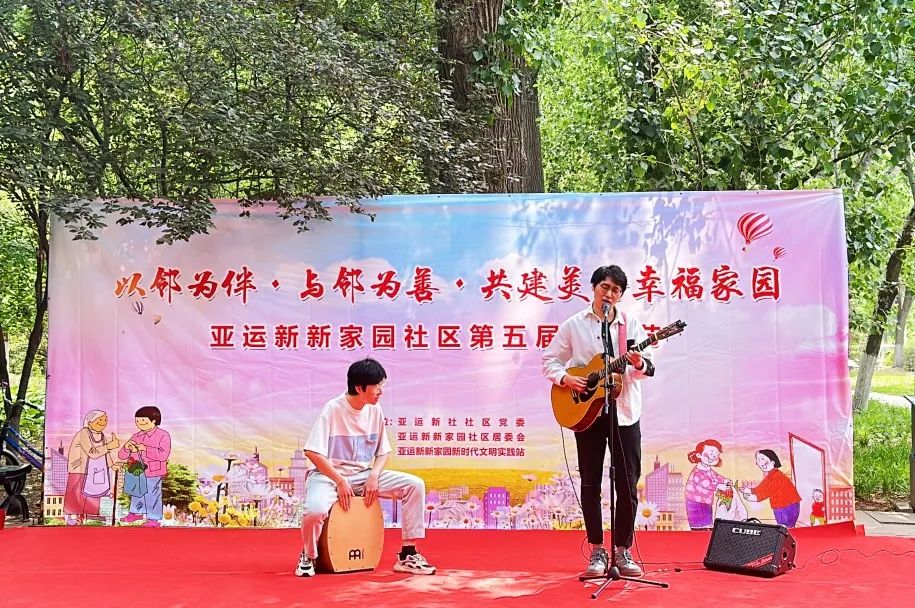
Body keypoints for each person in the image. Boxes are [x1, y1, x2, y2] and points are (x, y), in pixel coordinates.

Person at [542, 265, 654, 578]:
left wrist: (638, 363)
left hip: (625, 413)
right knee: (590, 483)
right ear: (593, 288)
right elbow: (549, 360)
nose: (609, 293)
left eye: (616, 290)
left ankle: (622, 550)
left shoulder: (630, 325)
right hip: (587, 414)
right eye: (605, 287)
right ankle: (596, 550)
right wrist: (567, 379)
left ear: (621, 295)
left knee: (627, 484)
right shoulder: (573, 325)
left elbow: (647, 370)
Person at [295, 357, 436, 577]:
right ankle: (309, 555)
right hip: (328, 476)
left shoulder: (375, 410)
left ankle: (408, 554)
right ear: (359, 388)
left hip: (363, 475)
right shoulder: (332, 409)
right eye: (377, 386)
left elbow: (384, 451)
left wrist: (374, 475)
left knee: (414, 485)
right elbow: (312, 452)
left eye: (382, 385)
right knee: (315, 511)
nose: (381, 391)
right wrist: (339, 480)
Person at [118, 405, 171, 527]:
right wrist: (126, 448)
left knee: (152, 494)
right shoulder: (136, 436)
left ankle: (153, 518)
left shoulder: (163, 435)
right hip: (136, 470)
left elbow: (163, 455)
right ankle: (136, 513)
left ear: (154, 421)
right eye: (137, 421)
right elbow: (121, 455)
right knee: (136, 492)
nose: (140, 423)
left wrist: (145, 448)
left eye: (143, 420)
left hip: (153, 470)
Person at [64, 410, 120, 525]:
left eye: (105, 420)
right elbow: (92, 452)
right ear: (90, 422)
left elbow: (105, 454)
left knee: (95, 492)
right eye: (100, 420)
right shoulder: (83, 433)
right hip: (80, 469)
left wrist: (111, 465)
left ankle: (90, 516)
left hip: (96, 470)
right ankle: (71, 516)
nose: (103, 422)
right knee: (76, 492)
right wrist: (109, 446)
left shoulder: (102, 436)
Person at [740, 449, 801, 527]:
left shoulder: (778, 477)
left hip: (787, 505)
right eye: (758, 460)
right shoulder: (771, 475)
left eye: (762, 459)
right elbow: (761, 488)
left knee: (785, 526)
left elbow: (767, 492)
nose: (759, 462)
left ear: (773, 462)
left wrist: (755, 497)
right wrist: (749, 490)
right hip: (780, 505)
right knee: (782, 526)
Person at [685, 439, 732, 529]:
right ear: (699, 455)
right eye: (711, 452)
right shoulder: (697, 471)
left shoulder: (708, 469)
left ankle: (708, 529)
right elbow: (705, 483)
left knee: (708, 523)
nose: (714, 456)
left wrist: (724, 480)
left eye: (717, 454)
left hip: (707, 501)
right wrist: (718, 486)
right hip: (694, 502)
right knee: (697, 525)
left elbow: (716, 476)